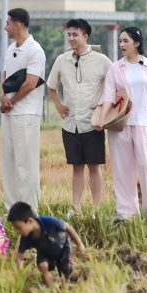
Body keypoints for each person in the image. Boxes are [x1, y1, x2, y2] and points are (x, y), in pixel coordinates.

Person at [94, 26, 147, 221]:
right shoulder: (115, 68)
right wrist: (103, 119)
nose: (121, 44)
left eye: (125, 41)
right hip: (120, 125)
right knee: (122, 169)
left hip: (143, 124)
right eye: (120, 41)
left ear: (137, 43)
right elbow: (109, 96)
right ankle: (126, 212)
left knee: (146, 166)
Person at [47, 19, 112, 214]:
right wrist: (59, 105)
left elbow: (115, 87)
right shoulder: (62, 60)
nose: (71, 38)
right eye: (69, 34)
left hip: (93, 123)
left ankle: (96, 209)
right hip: (70, 123)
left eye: (75, 34)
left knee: (94, 166)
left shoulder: (102, 60)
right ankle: (76, 207)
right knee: (76, 166)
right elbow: (51, 86)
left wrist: (102, 107)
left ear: (85, 36)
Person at [0, 8, 46, 211]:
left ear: (17, 24)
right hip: (9, 112)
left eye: (8, 23)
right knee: (9, 163)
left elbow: (30, 83)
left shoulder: (35, 50)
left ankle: (29, 209)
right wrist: (3, 96)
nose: (6, 27)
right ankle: (11, 208)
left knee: (26, 164)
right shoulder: (11, 48)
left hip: (26, 113)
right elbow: (4, 75)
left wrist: (12, 101)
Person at [8, 202, 85, 287]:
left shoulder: (48, 221)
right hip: (44, 251)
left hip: (62, 246)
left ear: (30, 221)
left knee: (65, 271)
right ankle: (51, 289)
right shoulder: (25, 237)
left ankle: (65, 286)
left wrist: (79, 244)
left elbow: (67, 227)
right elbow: (19, 257)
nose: (18, 232)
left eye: (19, 228)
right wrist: (19, 273)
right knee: (42, 266)